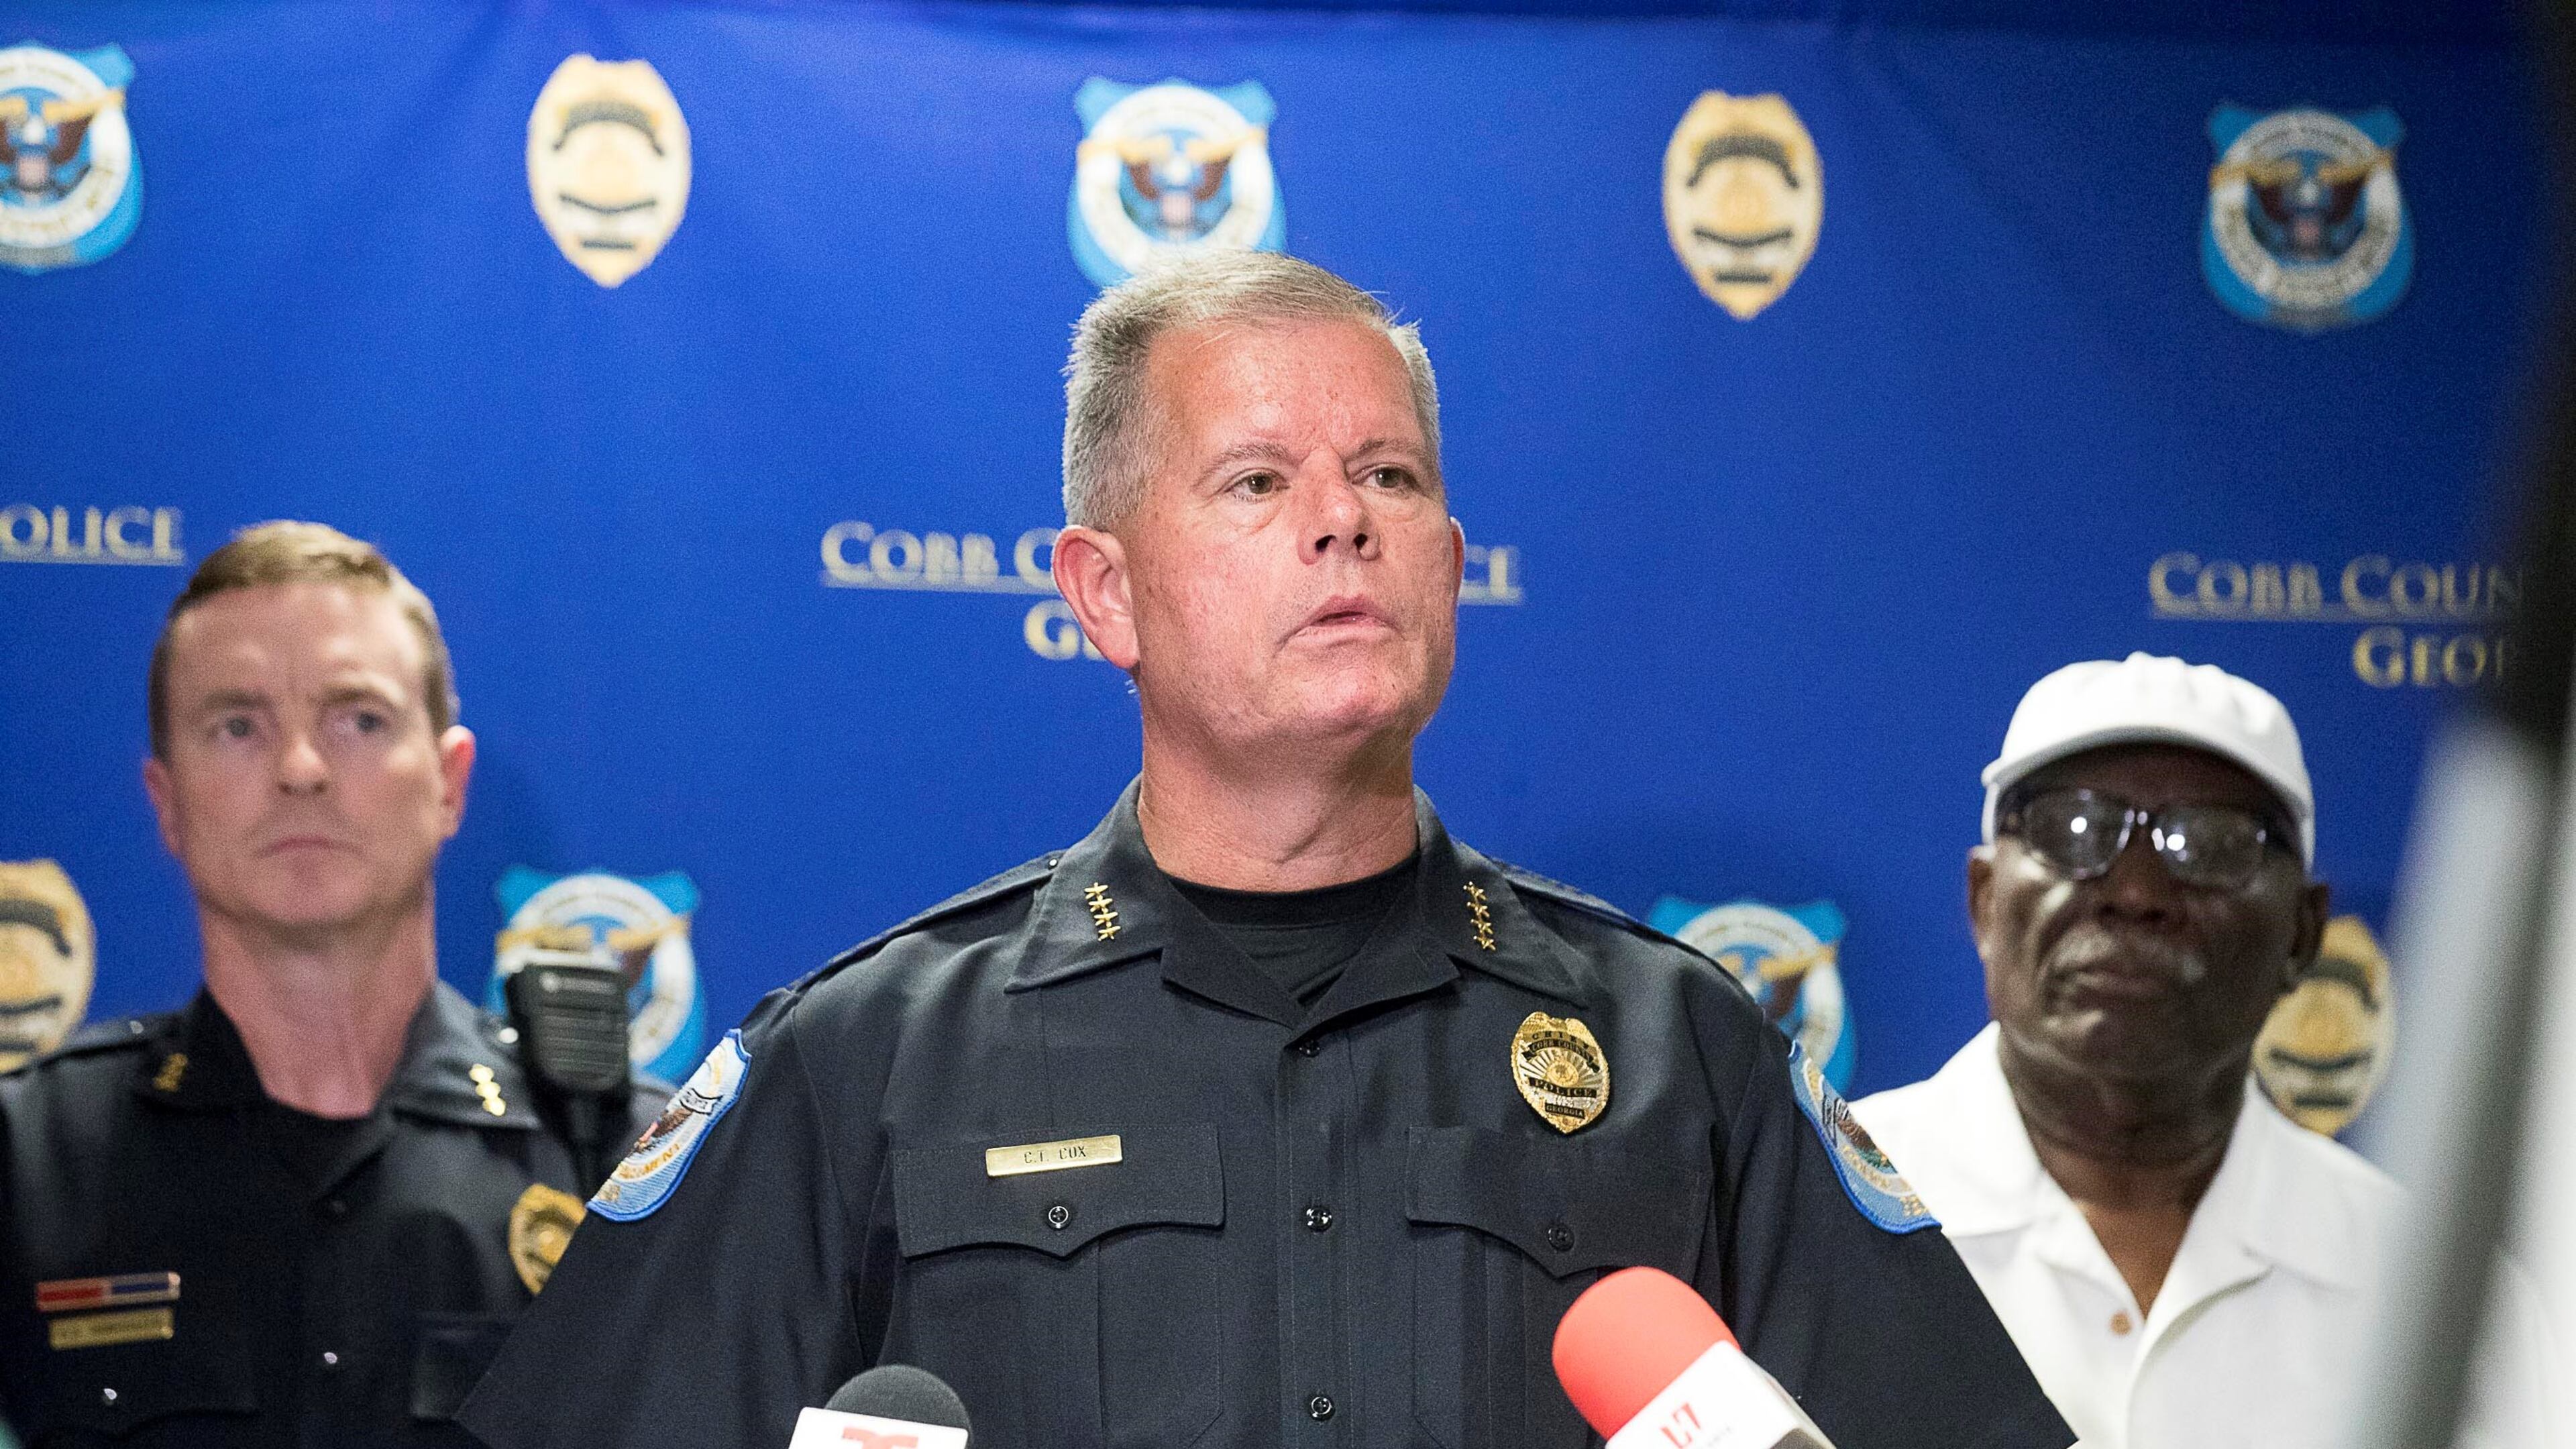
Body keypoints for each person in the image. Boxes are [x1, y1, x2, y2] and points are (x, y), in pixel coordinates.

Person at [462, 251, 2069, 1449]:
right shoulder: (865, 1061)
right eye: (1255, 480)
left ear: (1447, 559)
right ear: (1101, 593)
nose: (1342, 519)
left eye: (1389, 475)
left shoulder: (1681, 1050)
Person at [0, 523, 666, 1446]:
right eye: (238, 726)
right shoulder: (31, 1161)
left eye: (359, 719)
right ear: (167, 802)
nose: (301, 770)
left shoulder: (626, 1162)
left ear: (448, 782)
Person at [1851, 653, 2560, 1449]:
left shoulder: (2450, 1304)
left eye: (2210, 843)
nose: (2137, 892)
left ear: (2302, 933)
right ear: (1985, 900)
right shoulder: (1811, 1225)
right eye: (2074, 830)